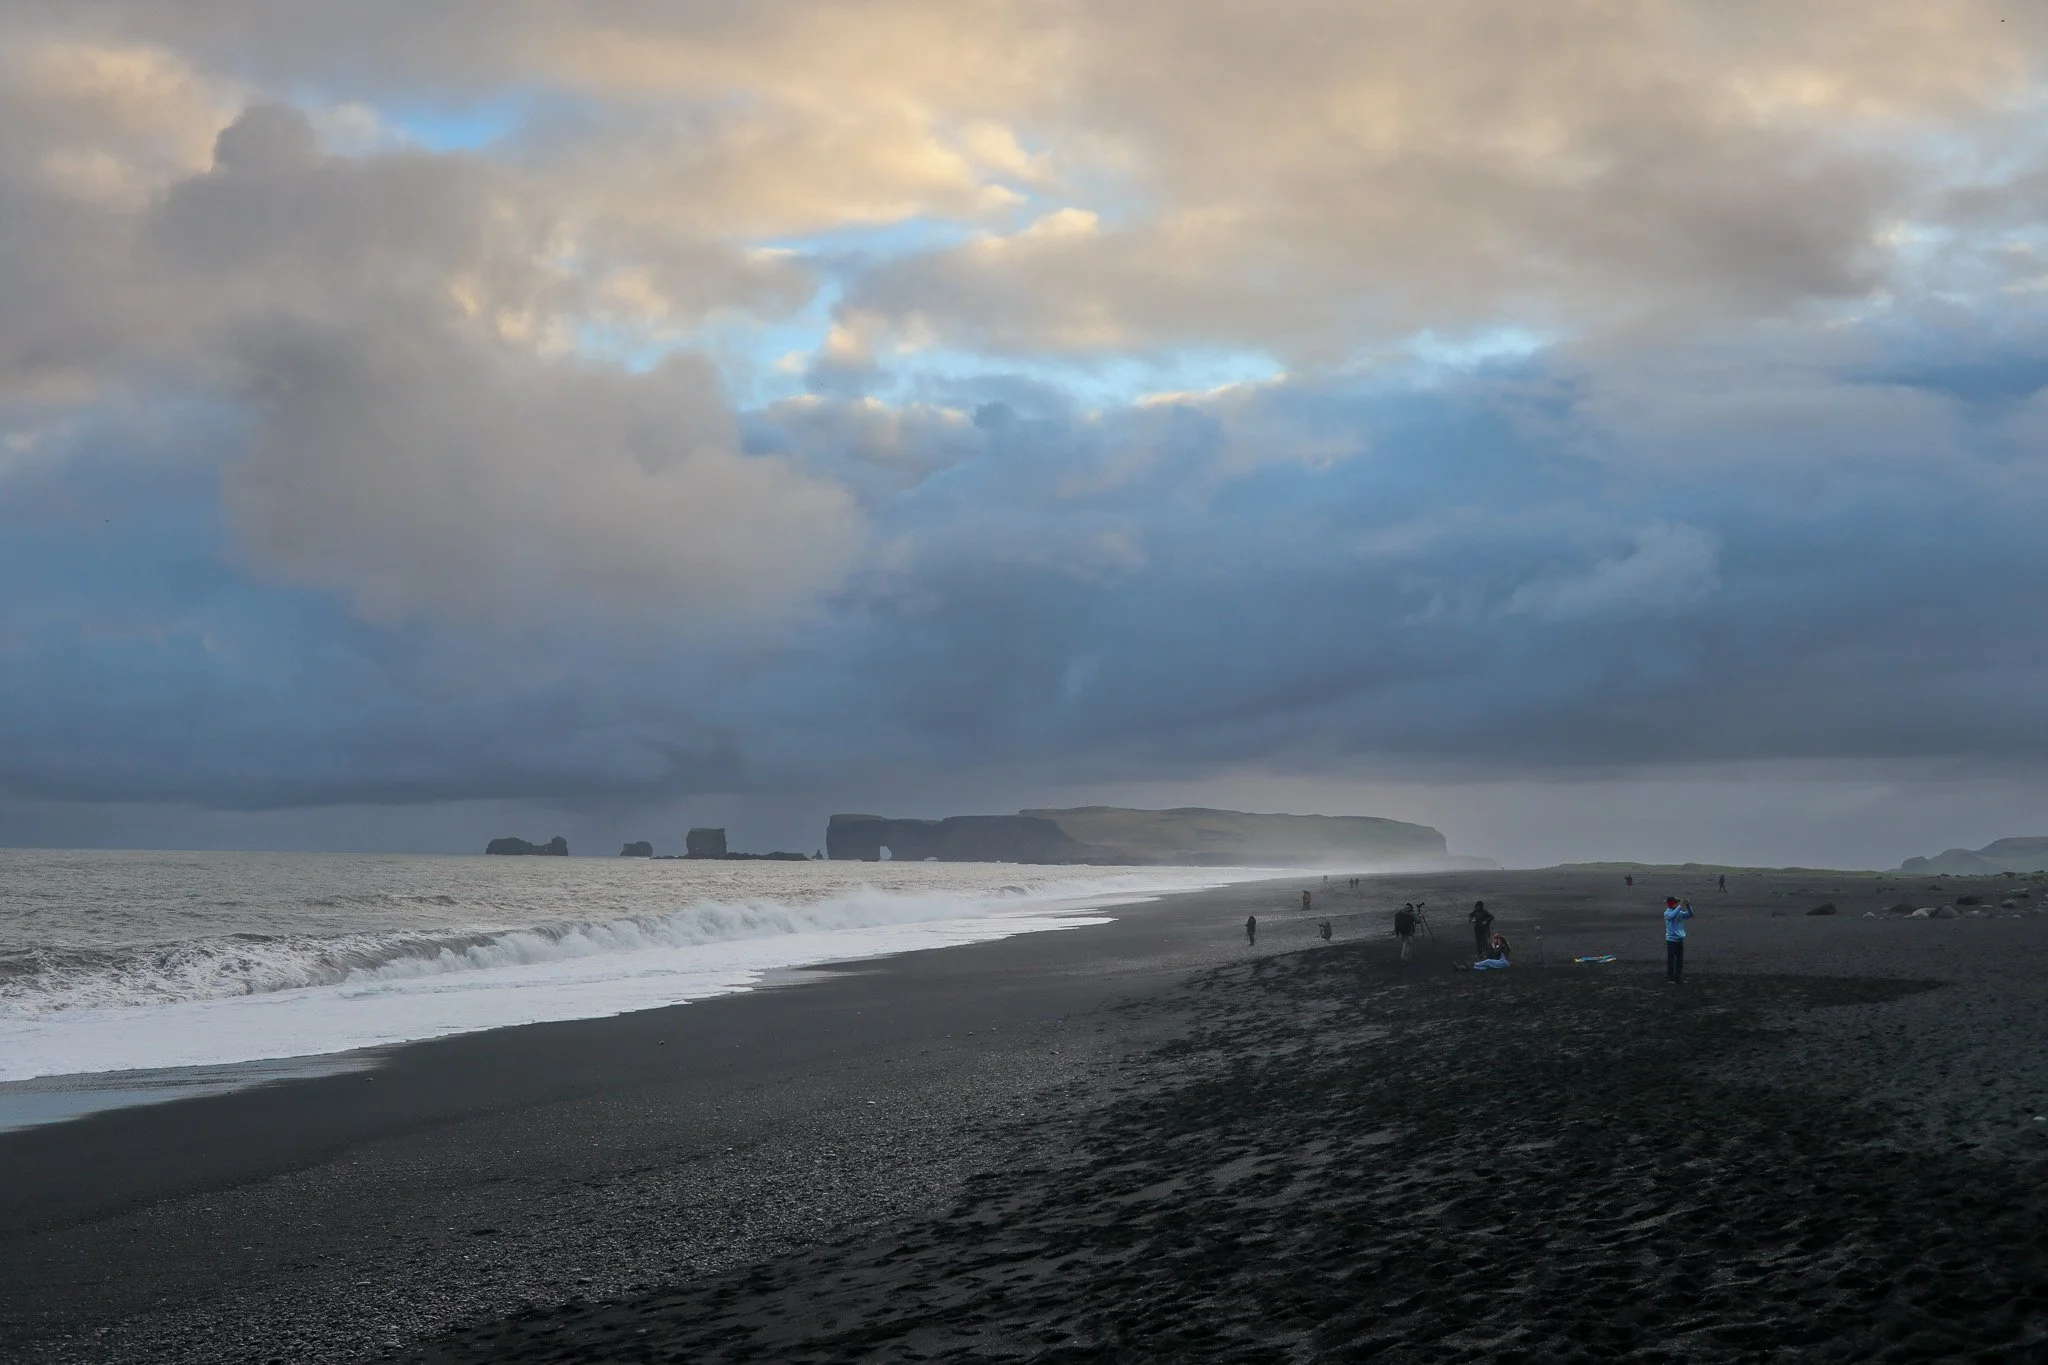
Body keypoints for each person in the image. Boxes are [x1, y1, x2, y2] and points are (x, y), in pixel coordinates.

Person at [1664, 897, 1694, 984]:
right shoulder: (1667, 913)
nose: (1677, 904)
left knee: (1679, 961)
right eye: (1675, 903)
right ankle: (1670, 979)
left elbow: (1690, 914)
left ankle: (1678, 978)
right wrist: (1680, 906)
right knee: (1671, 960)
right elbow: (1672, 916)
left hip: (1679, 940)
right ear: (1671, 904)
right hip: (1671, 940)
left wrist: (1688, 905)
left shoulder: (1679, 912)